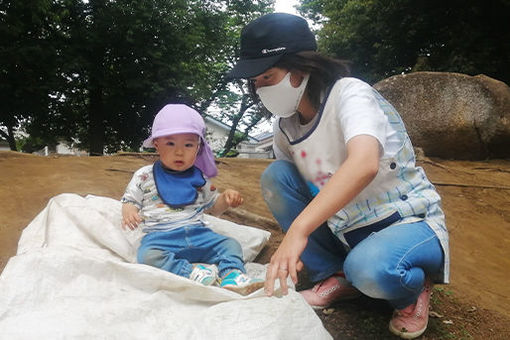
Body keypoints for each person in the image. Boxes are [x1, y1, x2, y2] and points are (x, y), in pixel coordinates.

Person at [227, 13, 449, 339]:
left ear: (300, 69)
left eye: (267, 77)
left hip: (407, 222)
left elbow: (364, 163)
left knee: (369, 271)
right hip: (348, 230)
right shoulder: (284, 128)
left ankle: (412, 291)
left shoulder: (349, 94)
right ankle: (334, 274)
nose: (259, 89)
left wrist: (299, 231)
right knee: (277, 175)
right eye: (256, 82)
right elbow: (297, 186)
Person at [121, 104, 263, 295]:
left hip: (199, 235)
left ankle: (232, 274)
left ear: (198, 147)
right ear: (156, 144)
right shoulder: (144, 176)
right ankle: (191, 272)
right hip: (161, 237)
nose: (179, 152)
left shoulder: (200, 179)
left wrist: (225, 199)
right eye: (170, 144)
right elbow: (130, 200)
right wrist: (129, 210)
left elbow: (213, 207)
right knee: (147, 255)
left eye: (188, 145)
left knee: (231, 244)